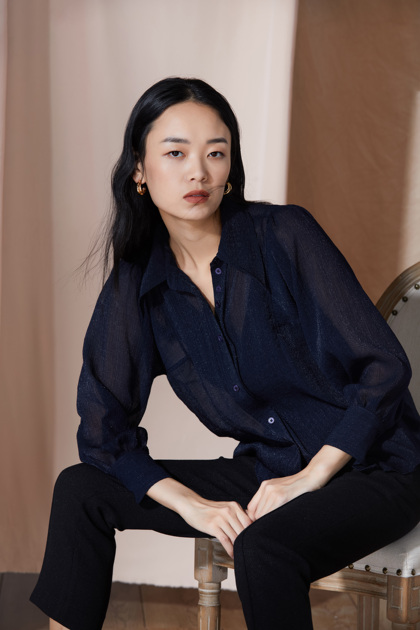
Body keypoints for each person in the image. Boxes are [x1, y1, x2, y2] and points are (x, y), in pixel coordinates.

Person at [30, 77, 420, 630]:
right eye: (176, 153)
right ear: (139, 169)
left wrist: (312, 476)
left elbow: (385, 368)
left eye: (216, 153)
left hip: (376, 468)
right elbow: (102, 429)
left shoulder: (284, 234)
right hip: (269, 470)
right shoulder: (139, 283)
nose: (198, 172)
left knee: (263, 546)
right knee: (81, 489)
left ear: (230, 166)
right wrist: (189, 502)